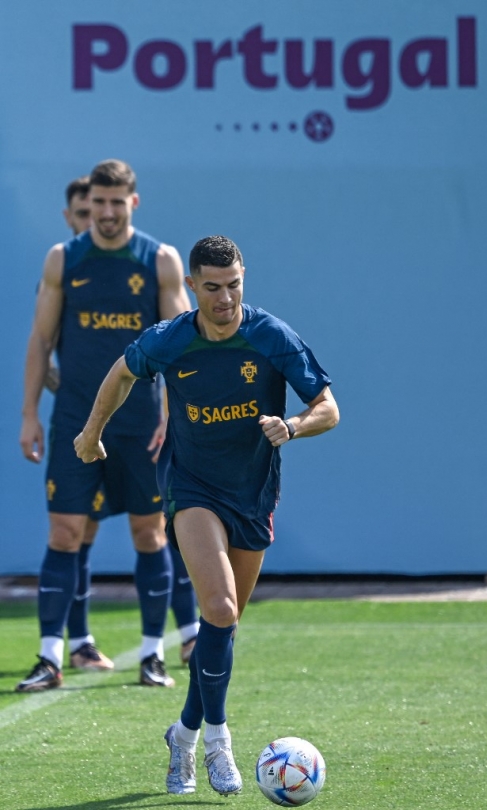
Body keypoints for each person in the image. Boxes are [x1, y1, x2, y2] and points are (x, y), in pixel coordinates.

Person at [74, 235, 339, 796]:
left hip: (253, 495)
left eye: (235, 285)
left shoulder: (270, 336)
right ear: (192, 287)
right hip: (192, 489)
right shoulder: (170, 340)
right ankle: (219, 740)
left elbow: (329, 408)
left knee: (224, 626)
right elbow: (121, 372)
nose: (225, 298)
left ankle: (183, 733)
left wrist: (291, 426)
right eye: (213, 288)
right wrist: (91, 431)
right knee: (216, 607)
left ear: (245, 279)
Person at [17, 159, 195, 693]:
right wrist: (29, 414)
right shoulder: (63, 260)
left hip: (141, 423)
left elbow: (182, 347)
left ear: (133, 204)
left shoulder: (159, 261)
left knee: (149, 532)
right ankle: (50, 658)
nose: (108, 212)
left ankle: (151, 655)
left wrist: (175, 413)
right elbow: (40, 340)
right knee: (65, 533)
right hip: (75, 419)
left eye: (118, 202)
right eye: (99, 202)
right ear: (86, 204)